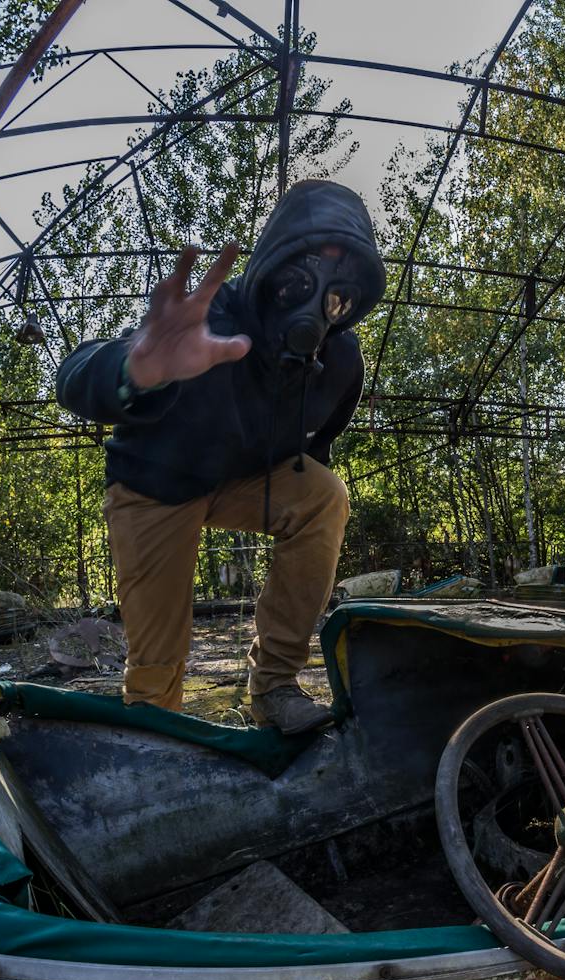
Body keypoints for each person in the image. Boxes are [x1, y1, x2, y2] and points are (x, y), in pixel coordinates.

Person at [56, 180, 386, 733]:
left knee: (324, 495)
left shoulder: (341, 365)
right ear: (270, 268)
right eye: (299, 282)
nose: (315, 306)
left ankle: (275, 687)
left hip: (245, 478)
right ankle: (156, 734)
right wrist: (134, 371)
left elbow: (315, 451)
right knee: (156, 679)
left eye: (337, 295)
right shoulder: (213, 321)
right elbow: (72, 375)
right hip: (155, 485)